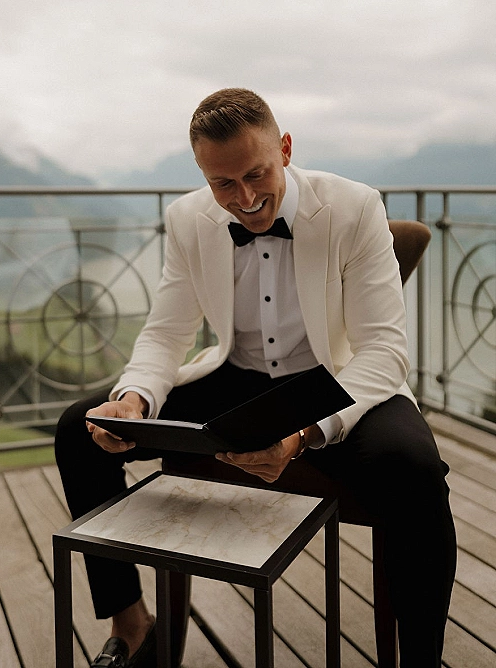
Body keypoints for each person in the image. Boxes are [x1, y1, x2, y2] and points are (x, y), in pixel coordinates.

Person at [56, 88, 456, 668]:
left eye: (256, 174)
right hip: (237, 377)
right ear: (202, 175)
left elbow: (384, 352)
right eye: (223, 184)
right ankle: (133, 624)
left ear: (285, 149)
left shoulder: (356, 206)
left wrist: (303, 436)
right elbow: (167, 333)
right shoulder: (188, 219)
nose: (244, 199)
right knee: (80, 429)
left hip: (336, 381)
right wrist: (135, 398)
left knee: (415, 471)